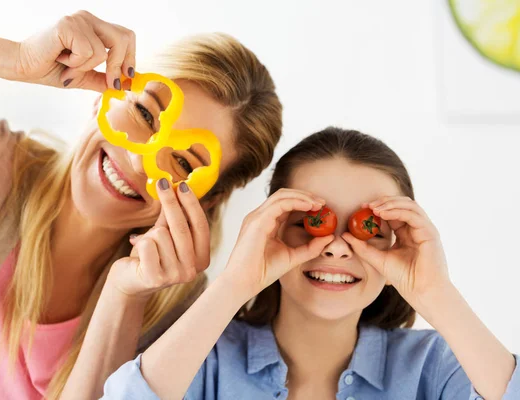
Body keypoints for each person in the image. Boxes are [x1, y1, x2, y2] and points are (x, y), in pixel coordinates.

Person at [0, 10, 282, 399]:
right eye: (144, 113)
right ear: (105, 98)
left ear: (206, 199)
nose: (140, 159)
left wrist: (124, 295)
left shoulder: (179, 310)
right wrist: (18, 60)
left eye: (181, 162)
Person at [104, 127, 519, 399]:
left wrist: (436, 292)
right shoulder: (201, 356)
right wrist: (234, 283)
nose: (337, 248)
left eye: (368, 228)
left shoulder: (434, 368)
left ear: (399, 243)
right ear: (270, 232)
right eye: (309, 224)